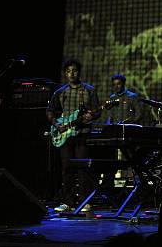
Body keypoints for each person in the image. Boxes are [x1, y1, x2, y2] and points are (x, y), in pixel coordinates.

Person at [46, 59, 101, 213]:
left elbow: (97, 111)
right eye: (69, 71)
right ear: (65, 73)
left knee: (83, 168)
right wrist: (57, 125)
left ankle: (85, 202)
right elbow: (50, 111)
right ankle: (67, 202)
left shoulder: (89, 90)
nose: (72, 73)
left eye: (74, 70)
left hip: (82, 134)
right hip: (65, 135)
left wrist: (93, 116)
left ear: (79, 72)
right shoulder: (60, 92)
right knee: (67, 168)